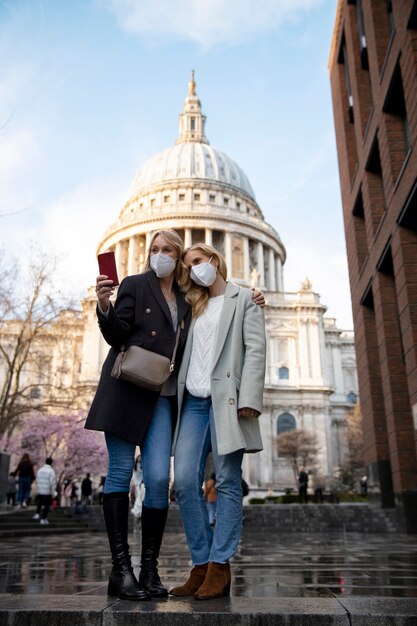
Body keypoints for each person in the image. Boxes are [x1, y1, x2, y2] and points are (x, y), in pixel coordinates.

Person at [85, 229, 265, 602]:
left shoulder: (217, 298)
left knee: (198, 479)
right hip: (159, 396)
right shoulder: (162, 293)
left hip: (201, 399)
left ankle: (199, 567)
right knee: (167, 480)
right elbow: (121, 333)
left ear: (214, 260)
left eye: (175, 252)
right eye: (157, 250)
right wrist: (105, 305)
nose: (164, 256)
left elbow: (249, 346)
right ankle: (157, 567)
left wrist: (251, 295)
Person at [170, 243, 266, 600]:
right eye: (187, 266)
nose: (193, 269)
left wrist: (251, 398)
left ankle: (219, 564)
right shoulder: (192, 304)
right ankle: (201, 561)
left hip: (226, 401)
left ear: (214, 260)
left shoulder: (245, 299)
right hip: (193, 402)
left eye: (197, 261)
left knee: (226, 481)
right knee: (183, 482)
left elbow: (256, 350)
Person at [33, 458, 57, 525]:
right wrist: (53, 492)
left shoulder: (40, 470)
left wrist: (39, 488)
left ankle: (37, 514)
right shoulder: (51, 471)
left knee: (40, 503)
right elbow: (52, 483)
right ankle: (43, 518)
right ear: (51, 463)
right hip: (47, 491)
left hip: (40, 490)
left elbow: (37, 480)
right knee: (47, 505)